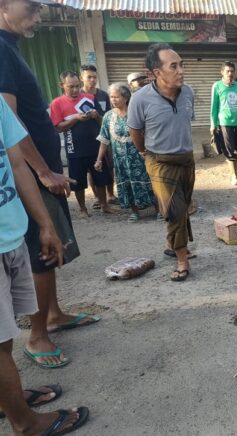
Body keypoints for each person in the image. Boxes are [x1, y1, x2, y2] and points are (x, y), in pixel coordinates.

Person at [1, 0, 100, 370]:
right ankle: (38, 335)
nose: (38, 15)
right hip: (29, 175)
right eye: (30, 6)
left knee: (53, 246)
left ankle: (54, 314)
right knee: (41, 251)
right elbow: (7, 125)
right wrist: (43, 172)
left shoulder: (10, 47)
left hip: (41, 170)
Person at [0, 94, 89, 436]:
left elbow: (18, 162)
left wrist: (44, 224)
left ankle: (7, 398)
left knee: (4, 336)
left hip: (10, 231)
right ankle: (24, 424)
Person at [128, 43, 196, 282]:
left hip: (186, 159)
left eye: (181, 65)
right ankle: (181, 260)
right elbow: (135, 131)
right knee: (175, 210)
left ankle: (173, 243)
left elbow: (185, 123)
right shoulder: (139, 99)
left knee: (183, 205)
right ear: (157, 72)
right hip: (159, 161)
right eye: (173, 66)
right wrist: (145, 152)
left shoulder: (188, 92)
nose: (180, 71)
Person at [50, 70, 113, 217]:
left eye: (77, 86)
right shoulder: (57, 103)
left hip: (95, 146)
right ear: (62, 85)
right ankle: (83, 209)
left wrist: (97, 116)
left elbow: (103, 122)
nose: (75, 90)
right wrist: (76, 119)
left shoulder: (90, 98)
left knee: (101, 178)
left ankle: (104, 205)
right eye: (71, 87)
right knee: (77, 181)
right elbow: (57, 128)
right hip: (74, 149)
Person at [95, 83, 155, 222]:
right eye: (111, 97)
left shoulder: (136, 112)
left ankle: (158, 209)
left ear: (126, 97)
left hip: (140, 156)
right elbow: (104, 139)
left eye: (117, 97)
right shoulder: (108, 117)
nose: (113, 100)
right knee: (126, 184)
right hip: (120, 160)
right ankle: (134, 212)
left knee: (148, 181)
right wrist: (99, 159)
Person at [80, 64, 117, 207]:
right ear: (81, 77)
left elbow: (109, 115)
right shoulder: (79, 95)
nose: (92, 80)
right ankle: (96, 197)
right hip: (87, 138)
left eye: (94, 77)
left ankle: (110, 194)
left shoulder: (103, 95)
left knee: (109, 165)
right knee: (92, 168)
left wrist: (98, 118)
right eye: (89, 77)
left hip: (105, 136)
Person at [210, 61, 237, 185]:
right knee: (229, 149)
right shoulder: (217, 86)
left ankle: (235, 166)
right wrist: (213, 124)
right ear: (222, 72)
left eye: (232, 71)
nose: (230, 74)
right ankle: (234, 175)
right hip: (225, 122)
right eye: (228, 71)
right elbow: (214, 107)